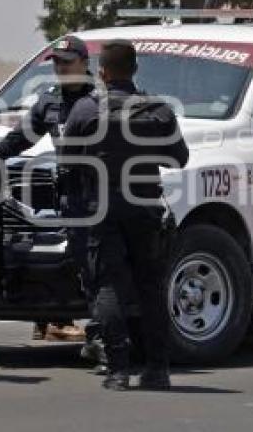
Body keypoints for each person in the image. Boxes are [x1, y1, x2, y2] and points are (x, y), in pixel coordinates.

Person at [64, 39, 189, 391]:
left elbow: (67, 164)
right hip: (146, 207)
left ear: (101, 71)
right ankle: (157, 369)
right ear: (135, 70)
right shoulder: (159, 111)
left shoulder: (84, 111)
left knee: (108, 287)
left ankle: (117, 371)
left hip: (101, 209)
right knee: (151, 288)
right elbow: (180, 158)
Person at [0, 35, 94, 343]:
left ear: (84, 64)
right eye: (57, 63)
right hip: (68, 195)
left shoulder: (100, 101)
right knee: (64, 259)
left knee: (95, 265)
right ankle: (51, 320)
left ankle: (102, 335)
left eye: (67, 62)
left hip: (98, 196)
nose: (60, 68)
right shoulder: (50, 100)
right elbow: (23, 137)